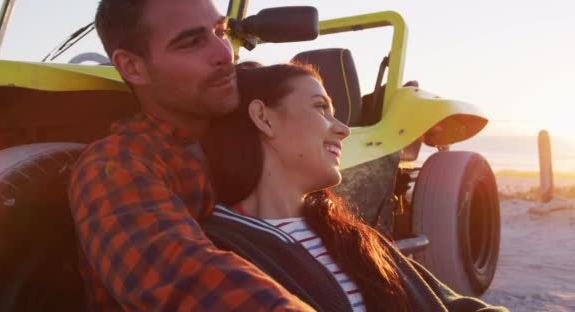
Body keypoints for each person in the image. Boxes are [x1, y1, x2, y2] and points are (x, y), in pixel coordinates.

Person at [69, 0, 315, 310]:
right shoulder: (116, 165)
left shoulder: (258, 123)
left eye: (221, 31)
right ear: (132, 66)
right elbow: (186, 281)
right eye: (190, 42)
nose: (225, 54)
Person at [201, 62, 509, 312]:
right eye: (320, 108)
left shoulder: (350, 235)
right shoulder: (216, 247)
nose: (344, 130)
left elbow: (449, 304)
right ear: (263, 118)